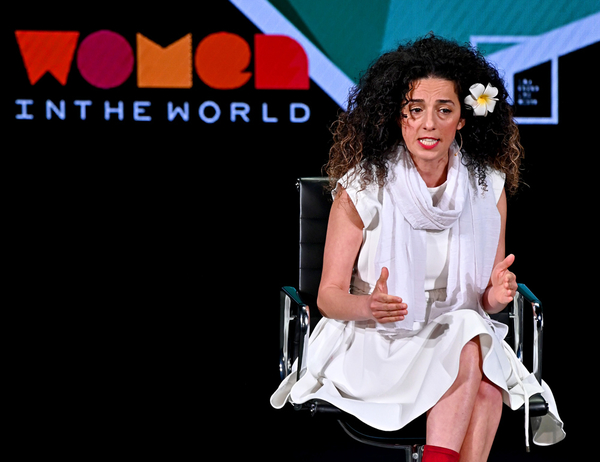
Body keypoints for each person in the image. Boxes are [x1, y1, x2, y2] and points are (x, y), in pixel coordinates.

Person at [271, 35, 565, 462]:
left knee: (473, 344)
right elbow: (328, 298)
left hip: (458, 335)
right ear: (398, 116)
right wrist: (370, 306)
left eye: (444, 110)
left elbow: (485, 301)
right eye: (415, 110)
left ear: (462, 119)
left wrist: (497, 295)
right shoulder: (362, 187)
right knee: (477, 359)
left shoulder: (487, 188)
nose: (429, 124)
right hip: (375, 341)